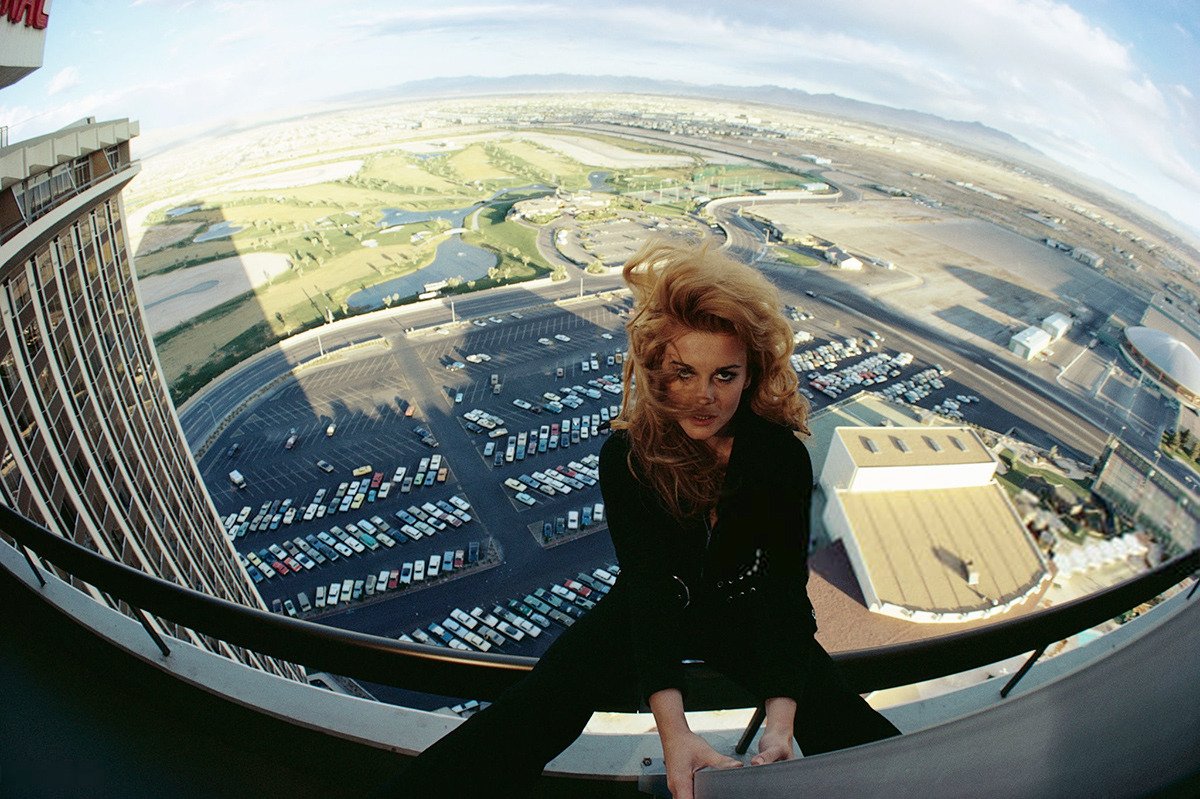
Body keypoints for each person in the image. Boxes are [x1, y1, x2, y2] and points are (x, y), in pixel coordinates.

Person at [393, 239, 899, 798]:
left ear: (751, 374)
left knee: (851, 726)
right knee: (534, 711)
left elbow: (782, 589)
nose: (703, 397)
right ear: (656, 371)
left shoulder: (779, 455)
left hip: (747, 609)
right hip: (646, 604)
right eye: (684, 373)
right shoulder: (629, 455)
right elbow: (650, 588)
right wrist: (674, 734)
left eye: (724, 375)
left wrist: (782, 722)